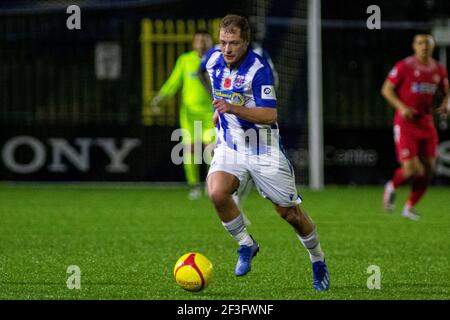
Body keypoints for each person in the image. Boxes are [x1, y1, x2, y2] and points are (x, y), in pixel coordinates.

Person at [199, 14, 329, 291]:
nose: (227, 49)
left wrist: (230, 108)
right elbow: (208, 76)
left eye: (233, 43)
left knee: (290, 214)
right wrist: (216, 109)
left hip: (263, 150)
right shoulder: (212, 59)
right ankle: (246, 244)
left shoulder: (258, 69)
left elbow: (270, 114)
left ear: (246, 42)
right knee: (217, 192)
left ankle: (318, 260)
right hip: (231, 146)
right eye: (223, 42)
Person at [382, 33, 449, 220]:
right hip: (406, 123)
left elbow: (446, 93)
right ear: (414, 46)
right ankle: (392, 187)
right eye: (420, 43)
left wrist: (445, 105)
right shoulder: (405, 66)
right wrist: (401, 107)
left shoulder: (439, 69)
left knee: (429, 170)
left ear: (432, 47)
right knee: (412, 169)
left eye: (427, 43)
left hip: (427, 123)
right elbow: (386, 89)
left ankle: (409, 207)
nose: (424, 47)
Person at [152, 30, 215, 200]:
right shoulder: (185, 60)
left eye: (204, 39)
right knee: (190, 148)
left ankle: (212, 185)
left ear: (210, 42)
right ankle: (194, 186)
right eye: (198, 39)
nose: (201, 43)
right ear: (193, 43)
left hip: (212, 112)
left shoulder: (217, 59)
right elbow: (173, 82)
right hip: (189, 114)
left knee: (212, 149)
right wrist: (160, 99)